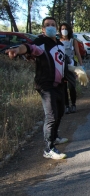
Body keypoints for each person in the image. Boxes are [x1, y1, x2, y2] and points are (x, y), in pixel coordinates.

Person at [5, 17, 68, 159]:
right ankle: (49, 148)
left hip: (59, 84)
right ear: (43, 29)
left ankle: (55, 136)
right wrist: (18, 50)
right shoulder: (41, 42)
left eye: (53, 25)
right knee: (51, 116)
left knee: (60, 112)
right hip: (45, 84)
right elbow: (28, 47)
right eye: (47, 25)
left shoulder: (60, 44)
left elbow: (63, 61)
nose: (51, 27)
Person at [59, 22, 83, 114]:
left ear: (69, 30)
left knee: (72, 86)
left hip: (72, 66)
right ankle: (66, 106)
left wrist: (81, 65)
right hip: (61, 66)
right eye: (62, 29)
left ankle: (73, 104)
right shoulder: (58, 41)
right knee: (63, 87)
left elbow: (77, 53)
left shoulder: (73, 40)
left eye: (65, 28)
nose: (64, 30)